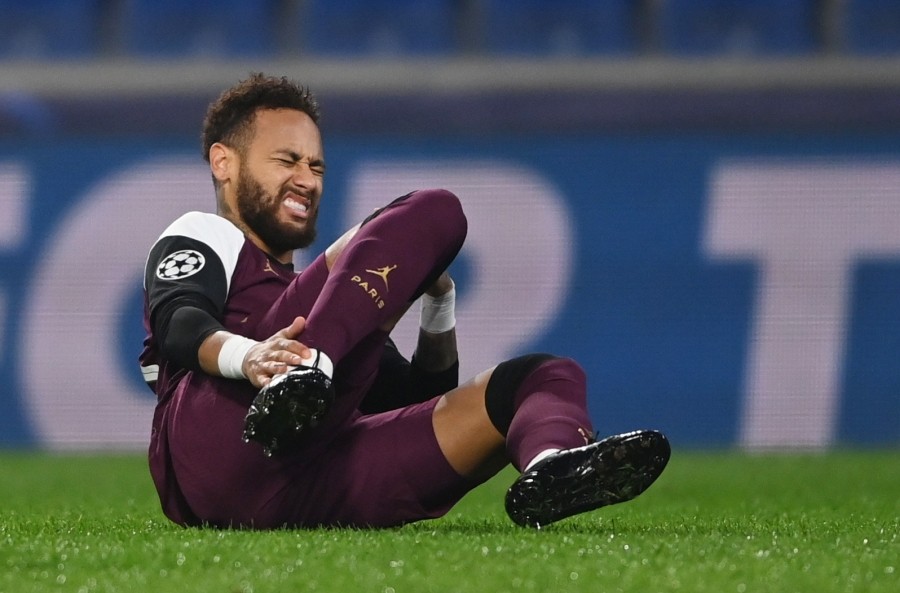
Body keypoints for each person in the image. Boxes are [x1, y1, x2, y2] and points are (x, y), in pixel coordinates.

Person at [139, 73, 670, 530]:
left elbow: (416, 402)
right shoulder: (205, 234)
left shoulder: (329, 309)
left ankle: (553, 464)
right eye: (287, 160)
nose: (306, 179)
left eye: (317, 167)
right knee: (434, 210)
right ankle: (302, 374)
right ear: (223, 162)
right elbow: (180, 323)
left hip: (306, 481)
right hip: (219, 440)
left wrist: (438, 303)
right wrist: (252, 357)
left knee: (546, 377)